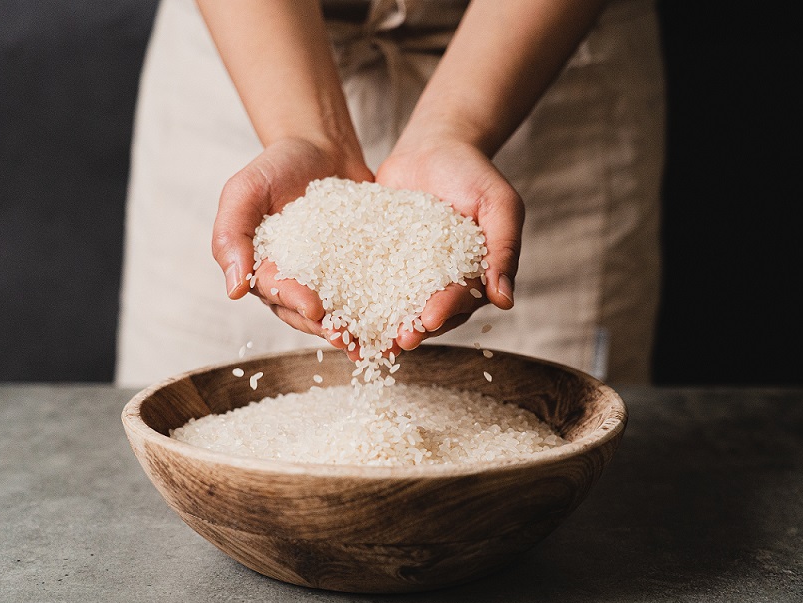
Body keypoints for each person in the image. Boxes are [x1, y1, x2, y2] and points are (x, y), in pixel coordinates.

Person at [115, 0, 665, 387]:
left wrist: (454, 129)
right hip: (250, 54)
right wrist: (304, 133)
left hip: (543, 65)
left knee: (547, 459)